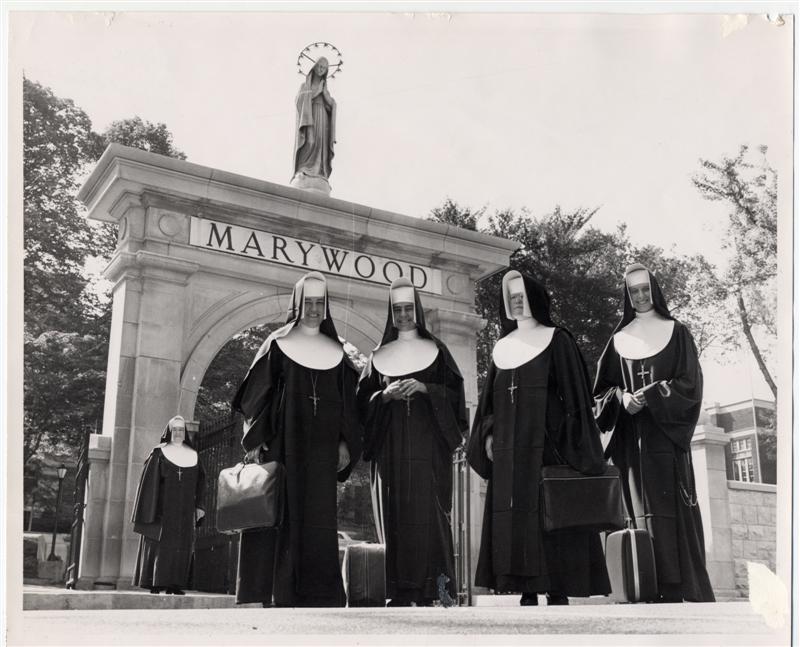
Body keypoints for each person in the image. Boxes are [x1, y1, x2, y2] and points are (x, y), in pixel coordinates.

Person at [467, 270, 611, 606]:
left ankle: (557, 587)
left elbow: (576, 399)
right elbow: (489, 403)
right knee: (515, 515)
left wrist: (572, 446)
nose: (517, 303)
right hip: (509, 452)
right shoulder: (502, 347)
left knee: (549, 515)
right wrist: (488, 433)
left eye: (522, 296)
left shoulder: (558, 339)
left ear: (535, 298)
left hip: (549, 448)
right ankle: (525, 587)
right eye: (511, 298)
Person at [232, 271, 360, 607]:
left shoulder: (337, 352)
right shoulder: (277, 343)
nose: (315, 309)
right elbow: (255, 396)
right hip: (284, 444)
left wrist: (345, 441)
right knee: (279, 515)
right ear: (298, 305)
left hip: (321, 450)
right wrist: (256, 439)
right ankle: (277, 593)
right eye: (309, 303)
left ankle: (320, 594)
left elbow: (349, 403)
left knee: (319, 518)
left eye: (320, 303)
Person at [593, 263, 715, 603]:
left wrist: (649, 395)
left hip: (666, 440)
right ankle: (641, 583)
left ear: (655, 290)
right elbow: (599, 395)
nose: (641, 296)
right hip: (631, 444)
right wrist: (621, 399)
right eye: (634, 292)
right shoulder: (618, 342)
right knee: (636, 509)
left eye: (645, 289)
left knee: (669, 510)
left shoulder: (677, 333)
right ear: (627, 296)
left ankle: (676, 586)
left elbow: (690, 385)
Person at [357, 277, 467, 607]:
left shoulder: (437, 352)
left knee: (430, 515)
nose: (403, 315)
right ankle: (399, 591)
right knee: (394, 516)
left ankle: (437, 589)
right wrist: (383, 395)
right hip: (390, 451)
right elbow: (360, 405)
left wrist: (425, 389)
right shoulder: (378, 356)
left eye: (408, 308)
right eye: (397, 310)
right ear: (390, 314)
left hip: (427, 450)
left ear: (416, 310)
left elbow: (456, 398)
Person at [132, 415, 205, 595]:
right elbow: (149, 485)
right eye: (175, 430)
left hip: (185, 511)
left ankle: (176, 584)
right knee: (160, 546)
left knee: (182, 545)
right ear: (169, 432)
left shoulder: (194, 455)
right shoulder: (159, 453)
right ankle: (156, 583)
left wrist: (200, 507)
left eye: (181, 429)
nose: (178, 433)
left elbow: (202, 484)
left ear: (185, 432)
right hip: (162, 511)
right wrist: (150, 510)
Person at [293, 56, 336, 183]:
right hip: (309, 117)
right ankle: (303, 167)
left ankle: (317, 170)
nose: (321, 69)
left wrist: (326, 96)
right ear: (315, 66)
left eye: (324, 67)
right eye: (319, 66)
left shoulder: (325, 88)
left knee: (319, 143)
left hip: (322, 116)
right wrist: (317, 92)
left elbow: (331, 105)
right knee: (310, 141)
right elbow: (299, 101)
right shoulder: (305, 85)